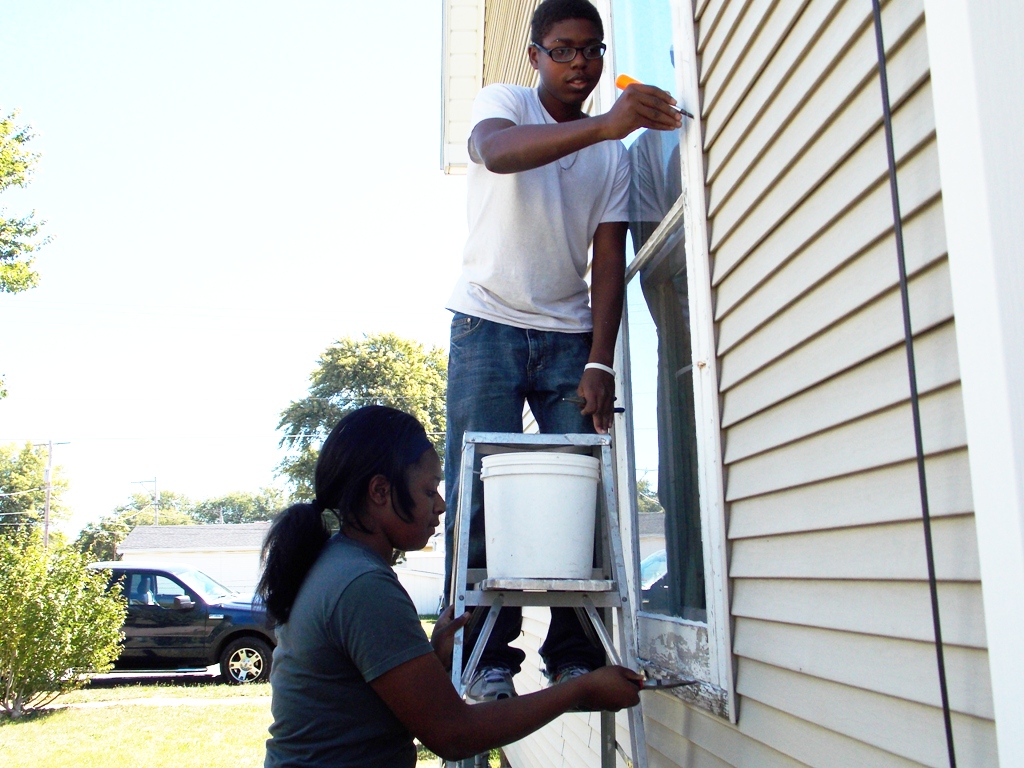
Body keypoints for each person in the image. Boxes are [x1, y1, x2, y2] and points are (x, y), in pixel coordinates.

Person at [443, 0, 682, 701]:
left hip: (568, 337)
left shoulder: (613, 155)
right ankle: (486, 658)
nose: (580, 63)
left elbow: (608, 260)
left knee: (585, 491)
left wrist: (600, 360)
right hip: (486, 321)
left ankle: (573, 653)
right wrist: (607, 124)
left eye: (592, 49)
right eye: (564, 49)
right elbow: (496, 153)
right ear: (535, 57)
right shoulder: (506, 103)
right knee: (477, 491)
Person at [259, 405, 642, 768]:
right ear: (380, 492)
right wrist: (580, 689)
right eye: (429, 491)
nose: (441, 505)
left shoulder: (338, 564)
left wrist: (433, 659)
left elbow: (370, 708)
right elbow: (454, 735)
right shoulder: (361, 584)